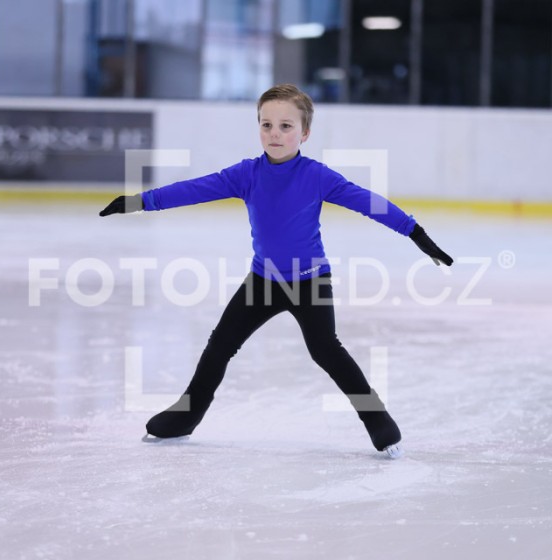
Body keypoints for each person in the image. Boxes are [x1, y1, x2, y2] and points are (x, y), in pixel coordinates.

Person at [100, 84, 453, 459]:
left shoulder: (317, 176)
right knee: (220, 346)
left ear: (305, 133)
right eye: (266, 125)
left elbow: (369, 203)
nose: (274, 134)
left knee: (327, 351)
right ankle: (185, 417)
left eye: (286, 126)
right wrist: (141, 201)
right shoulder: (247, 174)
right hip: (263, 281)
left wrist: (415, 232)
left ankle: (379, 421)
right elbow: (195, 189)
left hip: (310, 280)